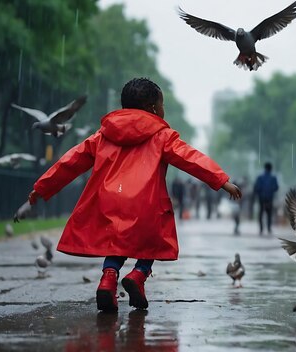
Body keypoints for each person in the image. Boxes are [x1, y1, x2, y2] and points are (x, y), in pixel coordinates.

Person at [24, 78, 242, 312]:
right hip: (146, 201)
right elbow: (190, 158)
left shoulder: (103, 135)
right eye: (162, 105)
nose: (163, 110)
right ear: (152, 108)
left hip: (109, 199)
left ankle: (108, 278)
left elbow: (71, 161)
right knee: (153, 241)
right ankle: (138, 275)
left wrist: (41, 189)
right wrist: (221, 180)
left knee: (116, 244)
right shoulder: (162, 136)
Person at [254, 162, 279, 235]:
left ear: (264, 168)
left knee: (261, 213)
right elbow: (276, 188)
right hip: (269, 198)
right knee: (269, 214)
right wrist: (270, 191)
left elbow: (256, 188)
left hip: (261, 198)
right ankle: (269, 228)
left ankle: (261, 229)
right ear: (271, 169)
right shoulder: (273, 178)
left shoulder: (260, 177)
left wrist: (260, 194)